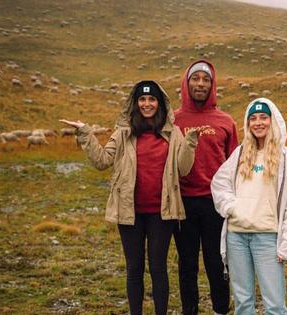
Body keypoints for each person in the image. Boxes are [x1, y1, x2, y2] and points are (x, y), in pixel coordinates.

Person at [60, 80, 198, 315]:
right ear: (135, 104)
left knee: (158, 268)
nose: (147, 104)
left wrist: (191, 143)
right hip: (129, 213)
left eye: (151, 99)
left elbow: (184, 169)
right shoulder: (123, 134)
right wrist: (85, 133)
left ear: (160, 103)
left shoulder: (172, 133)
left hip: (161, 213)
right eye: (142, 100)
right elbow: (102, 161)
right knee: (134, 269)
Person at [211, 98, 287, 315]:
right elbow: (219, 183)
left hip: (267, 238)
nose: (258, 123)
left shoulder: (286, 157)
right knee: (243, 301)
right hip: (236, 236)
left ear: (272, 120)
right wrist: (232, 208)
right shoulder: (240, 153)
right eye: (253, 118)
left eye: (263, 117)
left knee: (274, 303)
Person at [172, 60, 238, 315]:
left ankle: (221, 309)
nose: (200, 84)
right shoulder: (173, 120)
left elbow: (234, 163)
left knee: (217, 261)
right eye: (195, 79)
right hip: (183, 203)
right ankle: (190, 310)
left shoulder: (225, 121)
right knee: (187, 263)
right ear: (186, 83)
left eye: (205, 80)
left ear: (212, 85)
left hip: (215, 204)